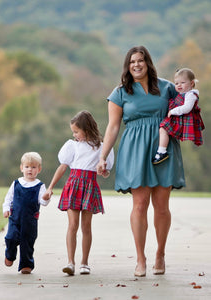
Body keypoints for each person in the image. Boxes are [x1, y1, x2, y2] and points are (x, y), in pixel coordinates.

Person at [96, 46, 185, 277]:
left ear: (148, 63)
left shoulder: (167, 88)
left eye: (141, 61)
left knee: (162, 207)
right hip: (134, 149)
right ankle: (140, 258)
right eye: (132, 61)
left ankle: (160, 254)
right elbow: (113, 127)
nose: (136, 65)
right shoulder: (120, 93)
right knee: (139, 204)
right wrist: (103, 156)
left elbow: (187, 109)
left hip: (163, 148)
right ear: (127, 66)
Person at [42, 110, 114, 276]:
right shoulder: (72, 146)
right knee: (72, 225)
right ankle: (71, 262)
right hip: (73, 186)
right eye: (73, 132)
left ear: (86, 130)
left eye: (76, 131)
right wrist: (50, 187)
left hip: (89, 186)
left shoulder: (102, 148)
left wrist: (104, 172)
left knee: (86, 227)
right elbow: (63, 167)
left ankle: (84, 263)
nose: (74, 135)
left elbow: (106, 169)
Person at [2, 152, 50, 274]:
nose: (30, 170)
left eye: (33, 167)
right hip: (15, 218)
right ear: (21, 167)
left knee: (27, 243)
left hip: (30, 221)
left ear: (39, 169)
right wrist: (6, 208)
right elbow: (8, 198)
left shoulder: (40, 186)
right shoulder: (16, 183)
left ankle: (26, 264)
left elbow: (43, 203)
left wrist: (46, 197)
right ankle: (10, 255)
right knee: (11, 237)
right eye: (27, 167)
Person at [152, 68, 205, 164]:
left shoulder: (191, 95)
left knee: (163, 129)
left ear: (192, 83)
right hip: (177, 119)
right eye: (176, 83)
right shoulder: (183, 94)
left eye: (182, 82)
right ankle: (161, 150)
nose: (179, 85)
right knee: (162, 130)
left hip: (180, 120)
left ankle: (162, 151)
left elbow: (187, 108)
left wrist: (173, 111)